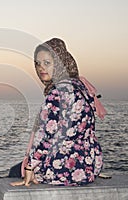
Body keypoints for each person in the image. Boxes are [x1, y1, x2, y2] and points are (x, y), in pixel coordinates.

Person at [10, 38, 106, 186]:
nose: (41, 68)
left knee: (15, 172)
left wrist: (30, 167)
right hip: (90, 166)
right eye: (38, 63)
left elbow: (46, 137)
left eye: (47, 63)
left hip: (65, 169)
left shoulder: (57, 92)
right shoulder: (80, 85)